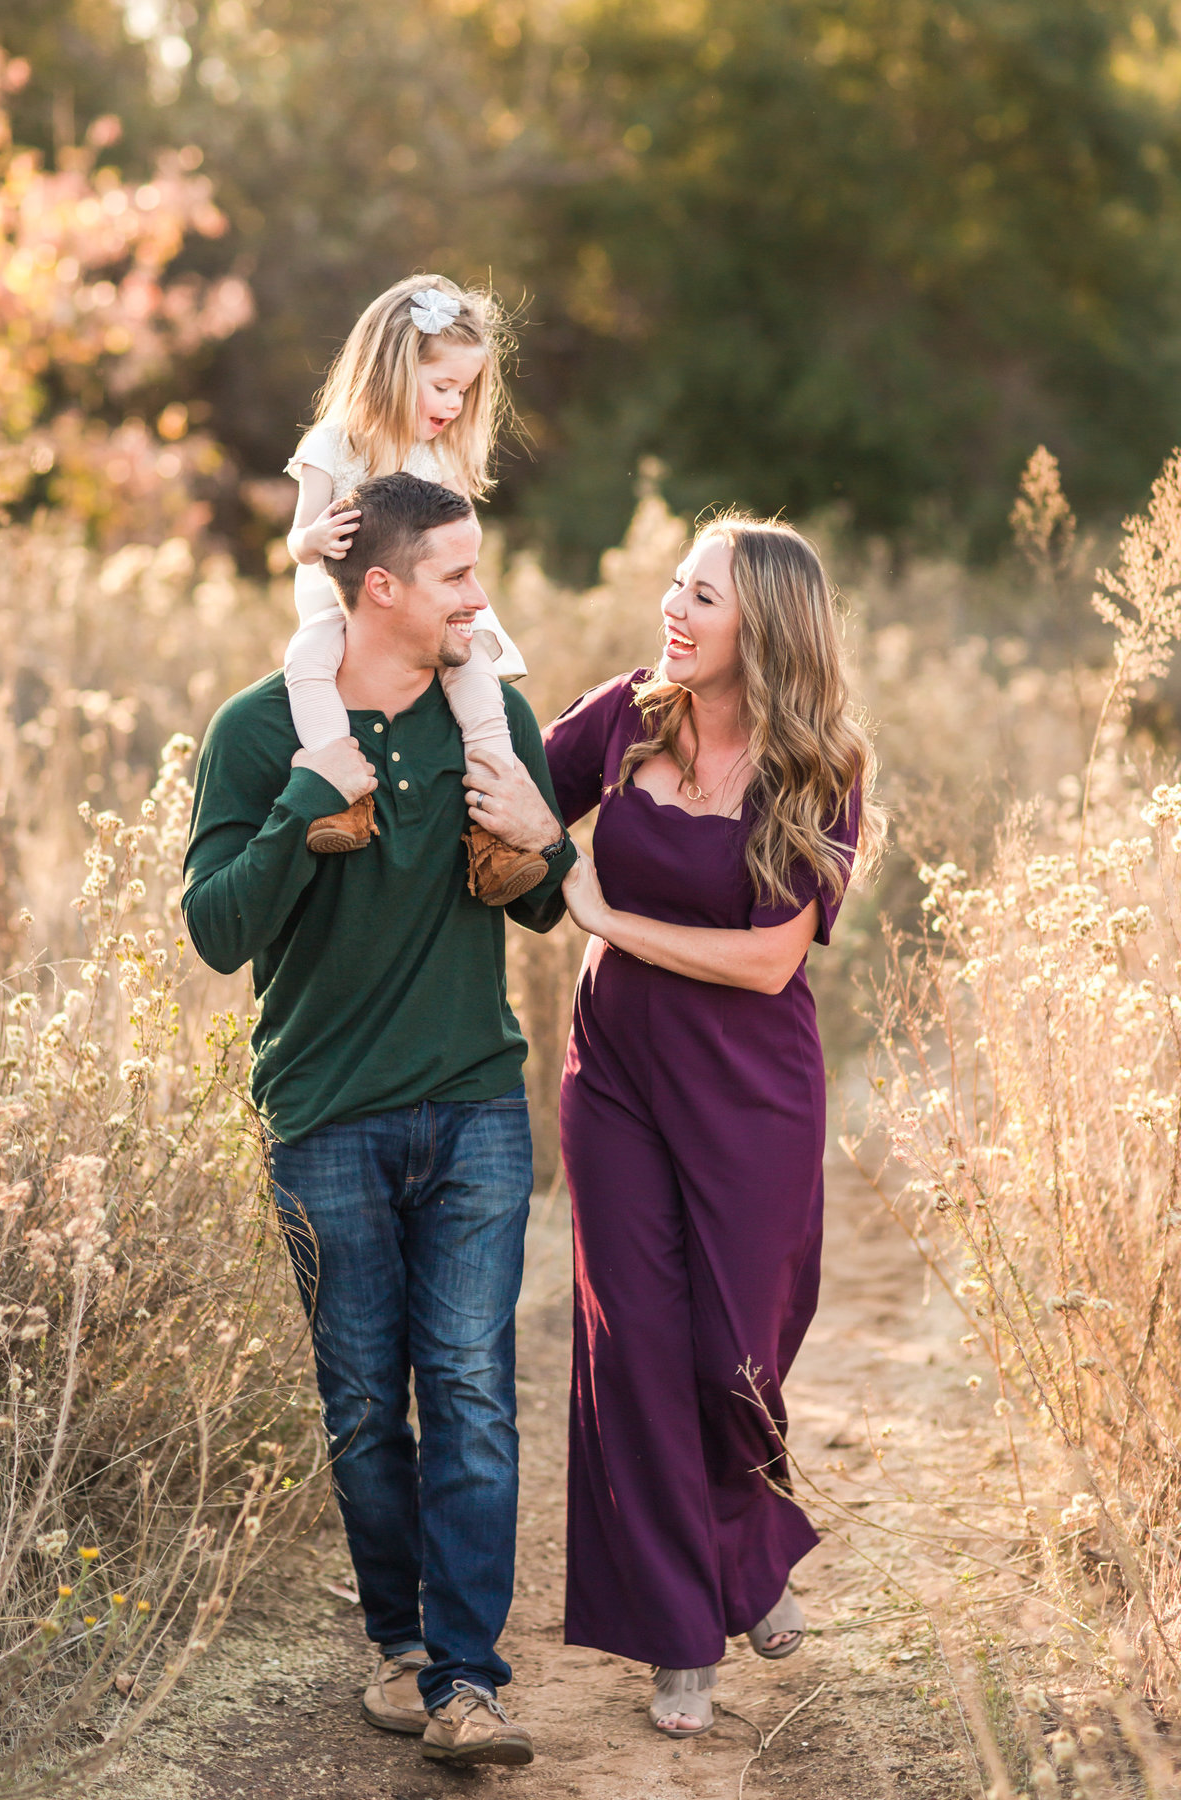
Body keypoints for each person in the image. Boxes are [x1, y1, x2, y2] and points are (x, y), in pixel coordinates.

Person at [464, 514, 884, 1738]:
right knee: (635, 1347)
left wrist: (598, 912)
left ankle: (747, 1554)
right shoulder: (630, 715)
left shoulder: (825, 768)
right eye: (677, 585)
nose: (675, 608)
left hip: (752, 1093)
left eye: (704, 595)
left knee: (731, 1354)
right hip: (619, 1083)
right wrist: (454, 657)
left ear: (769, 626)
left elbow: (767, 962)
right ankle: (676, 1634)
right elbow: (511, 788)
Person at [182, 472, 576, 1768]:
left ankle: (468, 1681)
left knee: (468, 1388)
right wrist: (308, 799)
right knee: (364, 1405)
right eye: (458, 577)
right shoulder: (256, 730)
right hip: (324, 1119)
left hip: (473, 1106)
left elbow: (531, 901)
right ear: (384, 589)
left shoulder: (490, 711)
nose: (482, 599)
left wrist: (549, 845)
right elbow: (217, 931)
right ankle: (403, 1651)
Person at [283, 273, 544, 906]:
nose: (454, 404)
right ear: (396, 370)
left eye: (464, 391)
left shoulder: (433, 459)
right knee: (306, 665)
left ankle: (495, 823)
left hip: (424, 605)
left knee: (471, 673)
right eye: (443, 386)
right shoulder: (333, 443)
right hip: (340, 601)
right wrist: (317, 539)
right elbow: (296, 540)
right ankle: (338, 796)